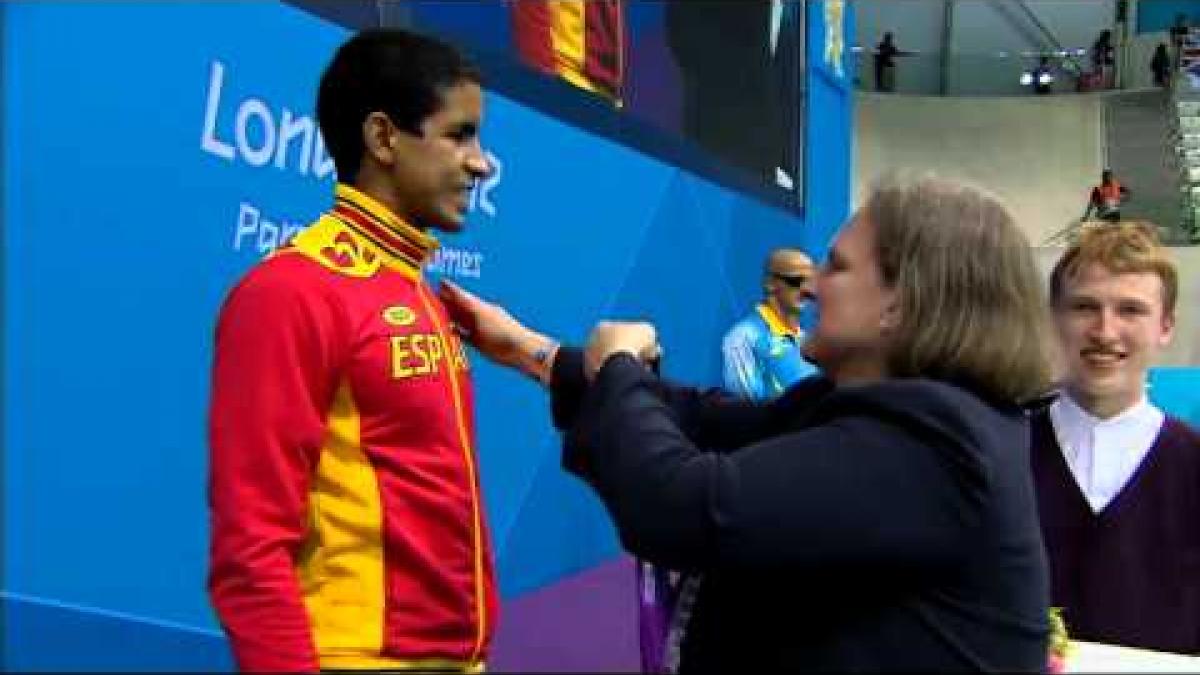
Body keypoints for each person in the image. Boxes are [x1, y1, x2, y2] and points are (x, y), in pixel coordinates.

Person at [440, 173, 1055, 671]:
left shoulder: (936, 443)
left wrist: (622, 363)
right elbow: (706, 419)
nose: (812, 289)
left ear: (902, 302)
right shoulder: (887, 412)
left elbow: (683, 506)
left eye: (836, 267)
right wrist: (532, 352)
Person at [207, 29, 497, 672]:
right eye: (460, 134)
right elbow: (249, 549)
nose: (481, 162)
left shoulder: (416, 290)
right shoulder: (290, 292)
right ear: (383, 138)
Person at [1031, 221, 1200, 655]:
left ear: (1165, 327)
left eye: (1131, 310)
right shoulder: (999, 454)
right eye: (1085, 307)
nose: (1105, 332)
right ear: (1054, 318)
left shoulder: (1193, 465)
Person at [723, 248, 819, 399]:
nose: (806, 290)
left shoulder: (807, 342)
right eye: (796, 281)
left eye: (810, 282)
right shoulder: (743, 339)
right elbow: (748, 409)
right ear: (770, 284)